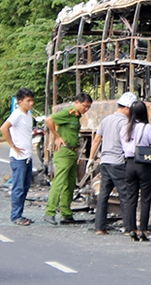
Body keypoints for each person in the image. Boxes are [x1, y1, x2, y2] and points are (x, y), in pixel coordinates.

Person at [87, 92, 137, 235]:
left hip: (105, 162)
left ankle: (100, 228)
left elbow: (97, 139)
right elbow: (128, 143)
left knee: (103, 195)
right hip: (118, 163)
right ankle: (129, 228)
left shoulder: (106, 120)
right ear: (127, 108)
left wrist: (91, 159)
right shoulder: (125, 123)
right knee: (125, 195)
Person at [43, 92, 93, 225]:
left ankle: (66, 213)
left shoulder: (77, 116)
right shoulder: (68, 113)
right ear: (76, 102)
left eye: (88, 107)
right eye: (84, 106)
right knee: (59, 182)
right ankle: (50, 212)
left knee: (70, 184)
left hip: (72, 152)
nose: (86, 109)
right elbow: (49, 120)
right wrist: (57, 136)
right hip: (64, 152)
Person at [121, 101, 151, 241]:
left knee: (131, 198)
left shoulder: (124, 128)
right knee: (145, 198)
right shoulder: (147, 127)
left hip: (129, 164)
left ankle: (132, 229)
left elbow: (123, 146)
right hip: (144, 165)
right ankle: (143, 230)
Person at [0, 88, 35, 226]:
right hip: (18, 158)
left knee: (25, 187)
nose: (31, 103)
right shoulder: (17, 114)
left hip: (27, 157)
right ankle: (16, 216)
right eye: (28, 101)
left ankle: (20, 214)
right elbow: (4, 128)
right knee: (18, 188)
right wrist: (13, 145)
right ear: (20, 102)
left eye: (32, 100)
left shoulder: (27, 115)